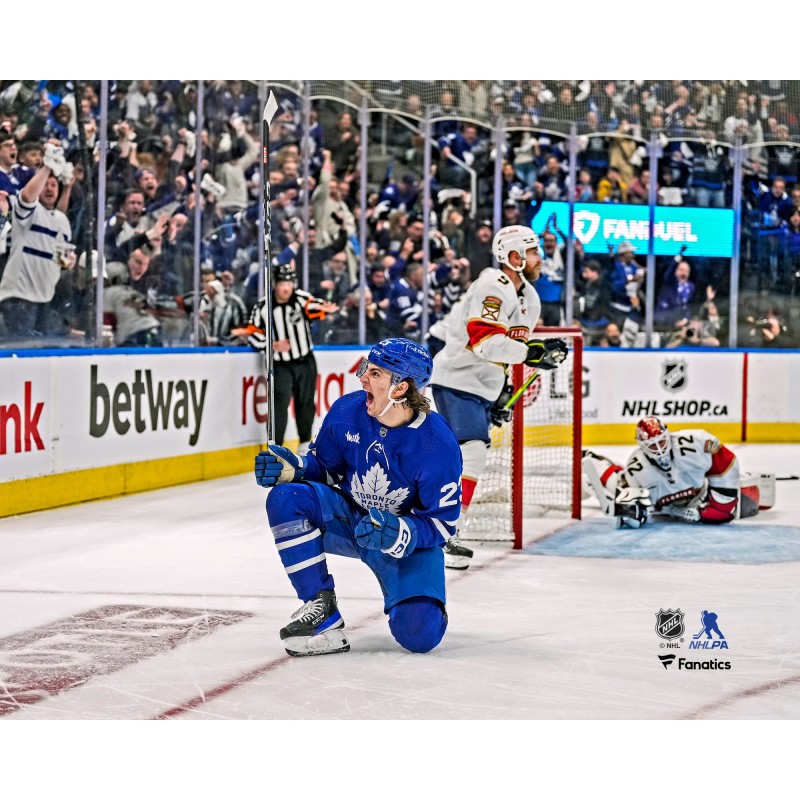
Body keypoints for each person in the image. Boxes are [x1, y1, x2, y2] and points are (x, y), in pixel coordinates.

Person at [253, 338, 463, 656]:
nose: (362, 376)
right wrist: (296, 468)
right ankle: (321, 607)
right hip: (351, 520)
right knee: (287, 498)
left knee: (419, 635)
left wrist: (401, 532)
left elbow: (443, 525)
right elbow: (327, 468)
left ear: (401, 388)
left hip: (403, 541)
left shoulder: (438, 445)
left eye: (375, 373)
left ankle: (424, 601)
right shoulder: (347, 411)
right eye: (367, 367)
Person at [428, 225, 569, 569]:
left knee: (458, 458)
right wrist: (533, 353)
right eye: (533, 252)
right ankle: (448, 533)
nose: (539, 258)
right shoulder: (491, 286)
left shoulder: (530, 298)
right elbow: (486, 343)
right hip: (457, 377)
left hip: (482, 386)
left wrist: (503, 390)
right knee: (472, 453)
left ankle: (433, 523)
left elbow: (507, 352)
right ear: (514, 257)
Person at [581, 417, 773, 529]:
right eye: (652, 446)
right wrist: (631, 511)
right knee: (613, 483)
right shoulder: (636, 468)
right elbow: (635, 513)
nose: (659, 450)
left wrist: (703, 513)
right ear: (642, 446)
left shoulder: (695, 443)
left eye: (662, 442)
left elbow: (726, 462)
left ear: (668, 435)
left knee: (739, 505)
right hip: (664, 509)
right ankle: (592, 459)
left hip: (700, 497)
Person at [245, 264, 339, 452]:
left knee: (305, 402)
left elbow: (313, 306)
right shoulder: (263, 306)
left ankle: (304, 444)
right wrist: (271, 344)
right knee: (279, 405)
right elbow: (252, 333)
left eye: (289, 283)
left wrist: (325, 307)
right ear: (274, 284)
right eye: (282, 283)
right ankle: (276, 448)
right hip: (279, 364)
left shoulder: (301, 299)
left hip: (304, 361)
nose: (286, 288)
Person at [0, 145, 77, 339]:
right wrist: (47, 167)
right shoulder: (28, 211)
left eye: (54, 185)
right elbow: (27, 196)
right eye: (45, 184)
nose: (49, 188)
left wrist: (68, 261)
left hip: (46, 299)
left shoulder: (62, 220)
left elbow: (60, 259)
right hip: (19, 298)